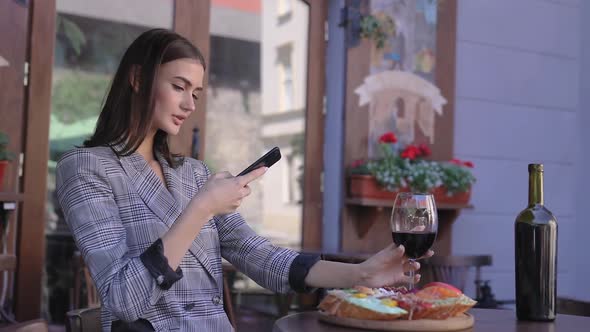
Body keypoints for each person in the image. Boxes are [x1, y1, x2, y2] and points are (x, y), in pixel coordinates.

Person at [56, 29, 431, 332]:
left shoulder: (193, 174)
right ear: (138, 79)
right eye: (179, 86)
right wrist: (202, 208)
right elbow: (123, 300)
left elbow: (260, 257)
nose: (190, 105)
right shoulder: (86, 168)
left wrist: (360, 272)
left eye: (197, 93)